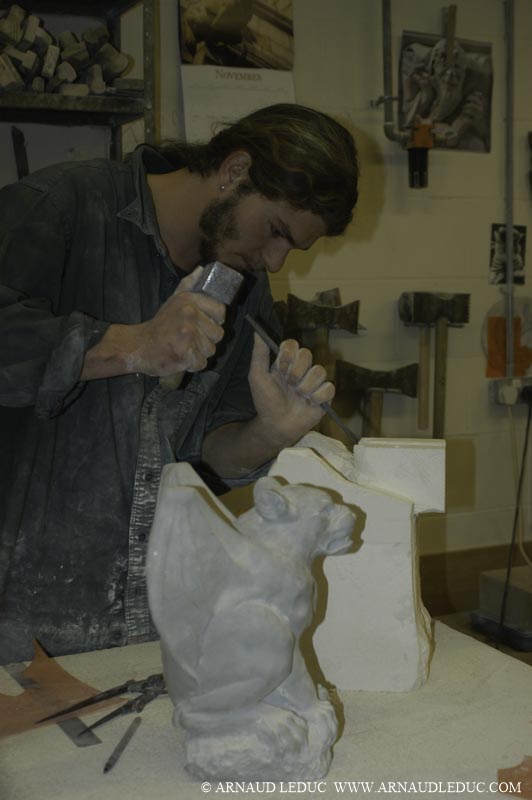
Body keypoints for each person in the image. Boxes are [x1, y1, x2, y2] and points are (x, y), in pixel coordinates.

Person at [0, 103, 359, 664]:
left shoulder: (244, 287)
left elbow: (201, 456)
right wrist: (128, 345)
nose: (275, 260)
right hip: (16, 620)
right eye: (275, 232)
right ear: (235, 170)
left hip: (142, 621)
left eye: (292, 248)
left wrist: (268, 434)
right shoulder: (62, 207)